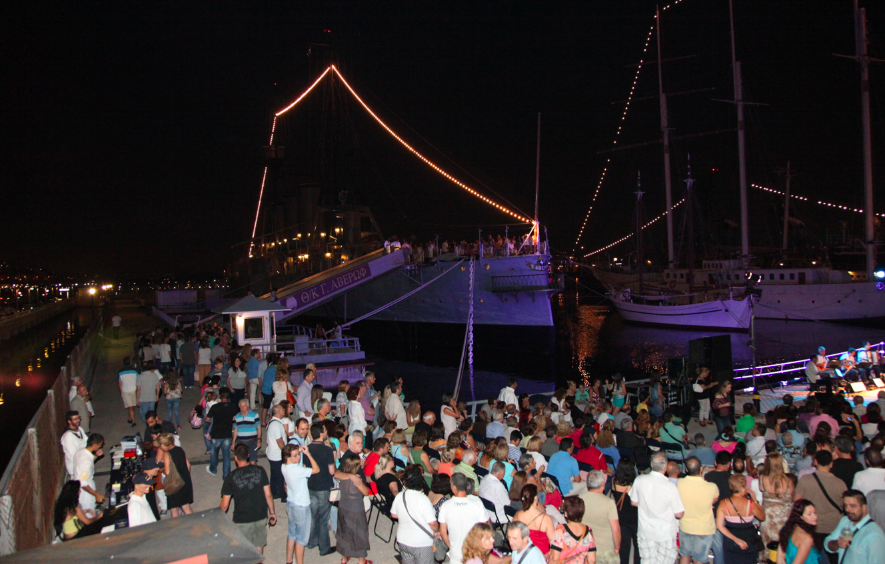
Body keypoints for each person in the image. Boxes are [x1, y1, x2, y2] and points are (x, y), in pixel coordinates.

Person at [629, 451, 685, 564]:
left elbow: (634, 502)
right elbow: (679, 514)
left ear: (651, 464)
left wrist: (648, 505)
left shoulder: (639, 479)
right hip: (665, 534)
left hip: (645, 531)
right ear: (665, 466)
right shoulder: (670, 487)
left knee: (647, 561)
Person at [220, 444, 275, 554]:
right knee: (258, 545)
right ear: (248, 455)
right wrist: (272, 513)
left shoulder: (230, 477)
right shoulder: (260, 470)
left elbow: (224, 505)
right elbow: (268, 495)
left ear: (235, 458)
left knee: (244, 549)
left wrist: (217, 519)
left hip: (242, 518)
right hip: (260, 515)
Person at [390, 465, 441, 564]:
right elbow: (433, 523)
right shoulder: (423, 499)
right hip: (421, 544)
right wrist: (437, 531)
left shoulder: (400, 495)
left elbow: (393, 514)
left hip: (403, 541)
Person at [795, 450, 848, 539]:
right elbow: (845, 505)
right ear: (831, 464)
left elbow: (796, 500)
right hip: (834, 525)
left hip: (812, 524)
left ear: (815, 462)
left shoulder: (805, 480)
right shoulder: (840, 483)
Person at [439, 473, 490, 564]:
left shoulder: (445, 506)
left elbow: (443, 532)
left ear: (454, 488)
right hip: (473, 555)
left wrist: (451, 547)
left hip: (455, 556)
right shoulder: (477, 504)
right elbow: (484, 529)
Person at [676, 457, 719, 564]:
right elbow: (715, 499)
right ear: (701, 469)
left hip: (686, 527)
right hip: (704, 529)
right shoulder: (712, 486)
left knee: (684, 556)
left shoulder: (680, 483)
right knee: (699, 560)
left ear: (686, 470)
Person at [282, 444, 320, 564]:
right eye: (295, 455)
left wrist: (298, 450)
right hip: (301, 507)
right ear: (287, 457)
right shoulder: (297, 470)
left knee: (292, 534)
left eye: (298, 454)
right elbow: (316, 469)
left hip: (291, 503)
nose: (298, 457)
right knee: (301, 539)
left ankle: (289, 561)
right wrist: (308, 454)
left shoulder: (284, 466)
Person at [824, 490, 885, 564]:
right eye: (845, 505)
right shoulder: (845, 521)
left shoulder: (875, 535)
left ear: (864, 507)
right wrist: (837, 544)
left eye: (852, 506)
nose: (847, 509)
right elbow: (827, 543)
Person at [716, 474, 766, 564]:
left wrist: (736, 539)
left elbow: (719, 526)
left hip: (731, 539)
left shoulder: (724, 503)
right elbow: (762, 517)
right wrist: (755, 500)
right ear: (744, 487)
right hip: (749, 538)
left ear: (730, 486)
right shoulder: (751, 504)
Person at [333, 456, 372, 564]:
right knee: (360, 533)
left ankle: (344, 558)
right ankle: (361, 560)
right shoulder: (357, 479)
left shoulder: (342, 477)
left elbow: (336, 473)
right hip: (356, 509)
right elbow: (366, 492)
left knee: (344, 531)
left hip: (343, 507)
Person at [306, 422, 336, 556]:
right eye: (324, 431)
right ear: (321, 433)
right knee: (324, 519)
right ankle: (324, 548)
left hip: (311, 485)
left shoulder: (307, 449)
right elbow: (332, 471)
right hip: (323, 487)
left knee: (313, 516)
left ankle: (312, 541)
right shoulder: (327, 450)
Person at [580, 470, 620, 564]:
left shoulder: (580, 498)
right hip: (605, 549)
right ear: (602, 484)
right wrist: (617, 547)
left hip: (586, 547)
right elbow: (615, 530)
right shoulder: (609, 503)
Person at [759, 452, 795, 547]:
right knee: (783, 545)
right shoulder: (789, 481)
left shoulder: (763, 478)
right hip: (784, 518)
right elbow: (791, 498)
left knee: (769, 545)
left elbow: (761, 489)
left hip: (769, 518)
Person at [156, 433, 193, 517]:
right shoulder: (180, 449)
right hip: (185, 480)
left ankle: (176, 525)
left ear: (164, 444)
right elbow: (188, 466)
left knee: (174, 509)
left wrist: (161, 469)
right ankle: (194, 523)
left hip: (174, 483)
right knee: (186, 506)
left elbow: (167, 472)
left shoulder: (167, 454)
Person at [204, 387, 238, 478]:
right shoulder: (233, 406)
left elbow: (207, 419)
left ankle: (213, 469)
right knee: (226, 456)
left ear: (219, 395)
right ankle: (226, 475)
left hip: (216, 434)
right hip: (227, 433)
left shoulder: (215, 407)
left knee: (214, 453)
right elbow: (235, 418)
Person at [776, 500, 822, 564]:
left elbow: (780, 558)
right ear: (800, 516)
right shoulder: (806, 538)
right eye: (809, 514)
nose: (815, 517)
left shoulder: (788, 529)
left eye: (815, 512)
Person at [513, 484, 555, 554]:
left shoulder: (517, 515)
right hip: (541, 555)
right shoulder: (545, 519)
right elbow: (553, 542)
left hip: (524, 554)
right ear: (536, 498)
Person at [611, 459, 638, 564]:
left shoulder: (614, 482)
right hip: (634, 518)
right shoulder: (635, 484)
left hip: (621, 517)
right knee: (637, 546)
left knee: (624, 546)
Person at [73, 433, 104, 513]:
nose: (100, 447)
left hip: (81, 489)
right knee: (89, 514)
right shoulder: (86, 462)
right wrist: (96, 494)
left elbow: (86, 462)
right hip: (86, 496)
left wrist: (96, 456)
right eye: (100, 445)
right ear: (94, 445)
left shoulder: (80, 451)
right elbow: (82, 483)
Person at [265, 403, 288, 502]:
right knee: (280, 476)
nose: (284, 410)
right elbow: (279, 441)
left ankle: (274, 492)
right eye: (282, 409)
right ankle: (283, 495)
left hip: (272, 454)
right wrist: (286, 452)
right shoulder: (276, 424)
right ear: (278, 411)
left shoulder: (272, 422)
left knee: (274, 474)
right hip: (277, 455)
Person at [232, 399, 261, 464]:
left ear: (248, 406)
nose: (242, 408)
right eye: (241, 406)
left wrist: (259, 440)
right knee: (242, 462)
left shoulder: (255, 415)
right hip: (240, 442)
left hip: (252, 442)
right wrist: (233, 442)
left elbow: (259, 428)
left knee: (253, 462)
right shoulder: (237, 416)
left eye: (244, 406)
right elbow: (235, 430)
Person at [60, 411, 87, 480]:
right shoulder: (67, 437)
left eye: (78, 418)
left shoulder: (80, 429)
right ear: (69, 421)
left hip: (84, 463)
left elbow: (86, 442)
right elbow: (72, 454)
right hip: (76, 468)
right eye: (75, 419)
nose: (78, 420)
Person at [136, 360, 162, 425]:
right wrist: (157, 395)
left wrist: (137, 399)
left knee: (144, 413)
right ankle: (152, 424)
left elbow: (138, 389)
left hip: (143, 398)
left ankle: (148, 424)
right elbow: (158, 386)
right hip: (152, 397)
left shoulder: (140, 376)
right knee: (151, 413)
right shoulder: (154, 375)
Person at [118, 357, 139, 426]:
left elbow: (120, 383)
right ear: (130, 363)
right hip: (134, 389)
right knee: (132, 406)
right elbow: (138, 379)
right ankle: (131, 419)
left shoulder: (121, 372)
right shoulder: (135, 370)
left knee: (130, 406)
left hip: (125, 390)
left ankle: (133, 420)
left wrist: (121, 391)